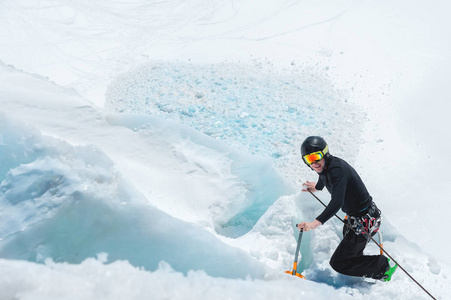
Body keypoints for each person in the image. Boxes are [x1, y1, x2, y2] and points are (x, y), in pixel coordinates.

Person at [297, 136, 397, 281]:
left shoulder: (337, 170)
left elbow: (337, 202)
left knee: (339, 263)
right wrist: (317, 187)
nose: (314, 163)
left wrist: (314, 223)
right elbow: (323, 175)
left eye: (316, 156)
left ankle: (383, 267)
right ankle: (363, 263)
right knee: (348, 252)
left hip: (365, 221)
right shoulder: (327, 166)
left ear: (325, 153)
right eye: (309, 159)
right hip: (357, 218)